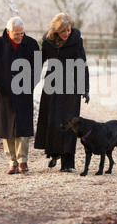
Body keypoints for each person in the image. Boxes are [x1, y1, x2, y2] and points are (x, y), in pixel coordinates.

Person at [34, 13, 89, 172]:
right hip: (51, 85)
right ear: (56, 30)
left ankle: (68, 163)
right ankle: (53, 154)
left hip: (71, 87)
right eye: (63, 31)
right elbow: (39, 63)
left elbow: (82, 64)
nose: (67, 33)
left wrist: (85, 88)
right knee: (52, 121)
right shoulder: (48, 41)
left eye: (69, 30)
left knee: (70, 123)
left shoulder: (76, 41)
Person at [0, 17, 39, 174]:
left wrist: (29, 85)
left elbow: (37, 68)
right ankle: (12, 162)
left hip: (24, 92)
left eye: (22, 33)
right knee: (7, 127)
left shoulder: (32, 44)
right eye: (16, 34)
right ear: (8, 31)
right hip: (4, 92)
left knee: (22, 126)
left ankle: (23, 161)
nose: (20, 37)